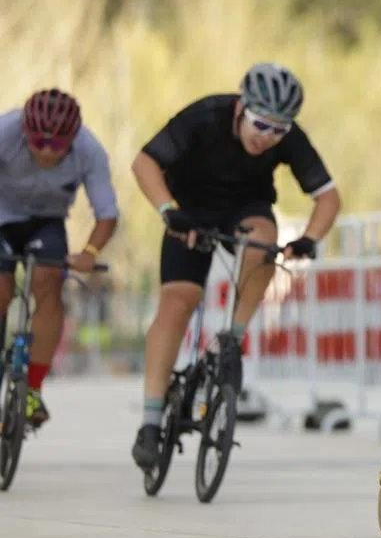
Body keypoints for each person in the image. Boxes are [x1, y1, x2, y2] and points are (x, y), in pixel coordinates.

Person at [129, 63, 341, 469]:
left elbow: (328, 197)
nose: (267, 138)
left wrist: (309, 238)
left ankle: (232, 340)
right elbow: (144, 163)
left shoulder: (286, 137)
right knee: (178, 301)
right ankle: (151, 420)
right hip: (189, 210)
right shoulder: (205, 115)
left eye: (278, 131)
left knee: (264, 243)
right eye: (260, 124)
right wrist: (168, 211)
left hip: (245, 208)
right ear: (242, 107)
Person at [0, 89, 119, 427]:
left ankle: (33, 391)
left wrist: (90, 252)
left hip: (47, 222)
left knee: (49, 282)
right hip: (1, 216)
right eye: (38, 143)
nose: (47, 152)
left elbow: (107, 214)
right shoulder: (4, 133)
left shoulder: (89, 150)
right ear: (25, 132)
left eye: (57, 146)